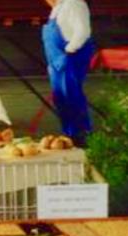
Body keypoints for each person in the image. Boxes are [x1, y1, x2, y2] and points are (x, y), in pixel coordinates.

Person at [42, 0, 94, 143]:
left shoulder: (74, 4)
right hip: (56, 62)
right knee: (61, 99)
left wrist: (68, 51)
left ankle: (82, 135)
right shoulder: (59, 7)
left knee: (71, 96)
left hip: (68, 59)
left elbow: (83, 31)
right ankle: (70, 133)